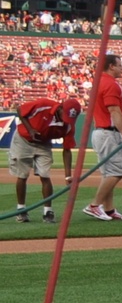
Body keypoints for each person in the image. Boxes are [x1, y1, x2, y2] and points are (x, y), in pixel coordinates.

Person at [9, 93, 78, 222]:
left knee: (45, 175)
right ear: (60, 108)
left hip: (44, 144)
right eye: (66, 116)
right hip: (24, 140)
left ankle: (48, 211)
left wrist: (68, 175)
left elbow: (67, 150)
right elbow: (20, 110)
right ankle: (21, 209)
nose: (66, 120)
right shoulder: (43, 104)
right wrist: (30, 129)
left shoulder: (68, 126)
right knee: (22, 175)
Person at [84, 52, 122, 221]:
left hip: (101, 131)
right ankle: (94, 205)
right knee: (118, 171)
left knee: (109, 173)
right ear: (111, 66)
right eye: (119, 65)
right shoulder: (111, 84)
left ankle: (109, 209)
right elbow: (114, 111)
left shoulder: (98, 82)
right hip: (109, 133)